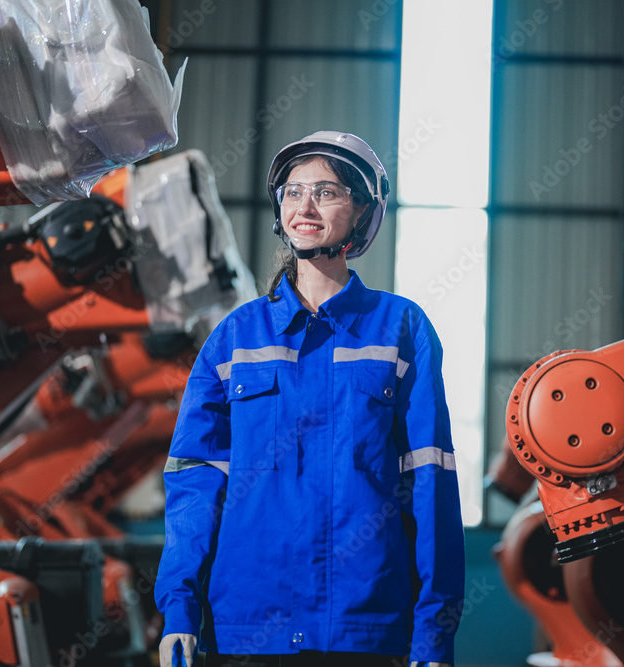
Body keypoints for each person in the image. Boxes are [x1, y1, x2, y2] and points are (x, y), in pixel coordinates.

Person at [155, 131, 465, 667]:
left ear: (363, 211)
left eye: (326, 191)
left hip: (365, 629)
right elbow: (195, 483)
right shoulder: (235, 339)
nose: (305, 206)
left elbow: (431, 484)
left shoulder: (401, 329)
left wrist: (433, 634)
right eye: (293, 192)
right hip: (250, 628)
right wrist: (179, 612)